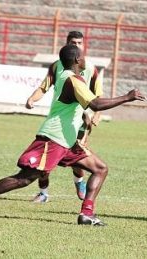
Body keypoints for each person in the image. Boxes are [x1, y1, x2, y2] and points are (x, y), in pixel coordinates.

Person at [0, 44, 145, 226]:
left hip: (67, 140)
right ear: (76, 60)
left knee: (100, 169)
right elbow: (95, 104)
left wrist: (83, 117)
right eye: (82, 56)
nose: (84, 59)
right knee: (25, 178)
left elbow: (74, 105)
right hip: (53, 138)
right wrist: (126, 97)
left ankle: (87, 214)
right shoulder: (72, 80)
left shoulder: (70, 78)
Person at [25, 31, 102, 203]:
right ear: (66, 44)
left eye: (79, 43)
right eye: (73, 42)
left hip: (81, 122)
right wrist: (32, 98)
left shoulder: (89, 68)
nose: (76, 45)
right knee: (44, 161)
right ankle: (43, 193)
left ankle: (79, 182)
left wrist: (97, 114)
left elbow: (98, 96)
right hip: (58, 119)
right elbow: (44, 87)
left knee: (78, 159)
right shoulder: (56, 66)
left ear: (84, 45)